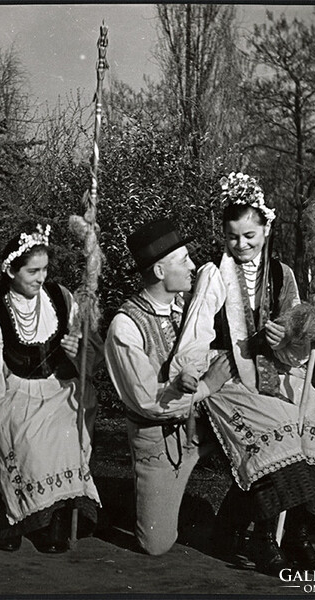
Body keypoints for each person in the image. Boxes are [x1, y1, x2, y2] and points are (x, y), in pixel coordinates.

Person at [170, 172, 315, 574]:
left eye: (250, 235)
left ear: (266, 228)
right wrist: (189, 372)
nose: (241, 245)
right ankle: (263, 537)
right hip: (227, 375)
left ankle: (297, 536)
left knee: (309, 411)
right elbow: (197, 330)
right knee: (281, 422)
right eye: (233, 236)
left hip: (277, 369)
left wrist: (289, 334)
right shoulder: (213, 275)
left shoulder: (283, 275)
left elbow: (300, 345)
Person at [0, 223, 102, 553]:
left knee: (67, 430)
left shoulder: (61, 298)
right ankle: (34, 517)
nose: (40, 277)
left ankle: (62, 513)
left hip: (59, 387)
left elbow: (92, 354)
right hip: (16, 391)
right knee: (29, 437)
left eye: (44, 269)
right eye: (32, 271)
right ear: (11, 271)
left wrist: (78, 352)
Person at [103, 217, 233, 556]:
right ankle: (131, 499)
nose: (192, 265)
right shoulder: (125, 326)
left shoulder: (186, 309)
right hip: (156, 440)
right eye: (183, 259)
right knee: (156, 545)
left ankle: (236, 525)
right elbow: (148, 402)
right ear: (160, 271)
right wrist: (208, 386)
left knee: (263, 453)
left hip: (199, 429)